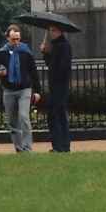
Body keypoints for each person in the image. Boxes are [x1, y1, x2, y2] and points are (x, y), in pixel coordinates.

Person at [0, 24, 42, 152]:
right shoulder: (1, 53)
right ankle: (19, 149)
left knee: (24, 117)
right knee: (13, 122)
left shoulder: (25, 51)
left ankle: (27, 148)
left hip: (24, 90)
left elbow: (33, 71)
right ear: (7, 38)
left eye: (18, 39)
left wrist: (37, 91)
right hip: (8, 90)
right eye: (13, 39)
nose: (16, 42)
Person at [40, 24, 72, 153]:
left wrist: (49, 54)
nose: (51, 33)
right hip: (55, 86)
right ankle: (59, 145)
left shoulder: (63, 46)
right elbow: (50, 64)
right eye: (50, 30)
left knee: (57, 115)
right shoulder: (56, 46)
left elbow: (62, 67)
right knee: (55, 115)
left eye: (53, 30)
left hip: (59, 86)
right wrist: (45, 53)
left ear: (60, 31)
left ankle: (62, 145)